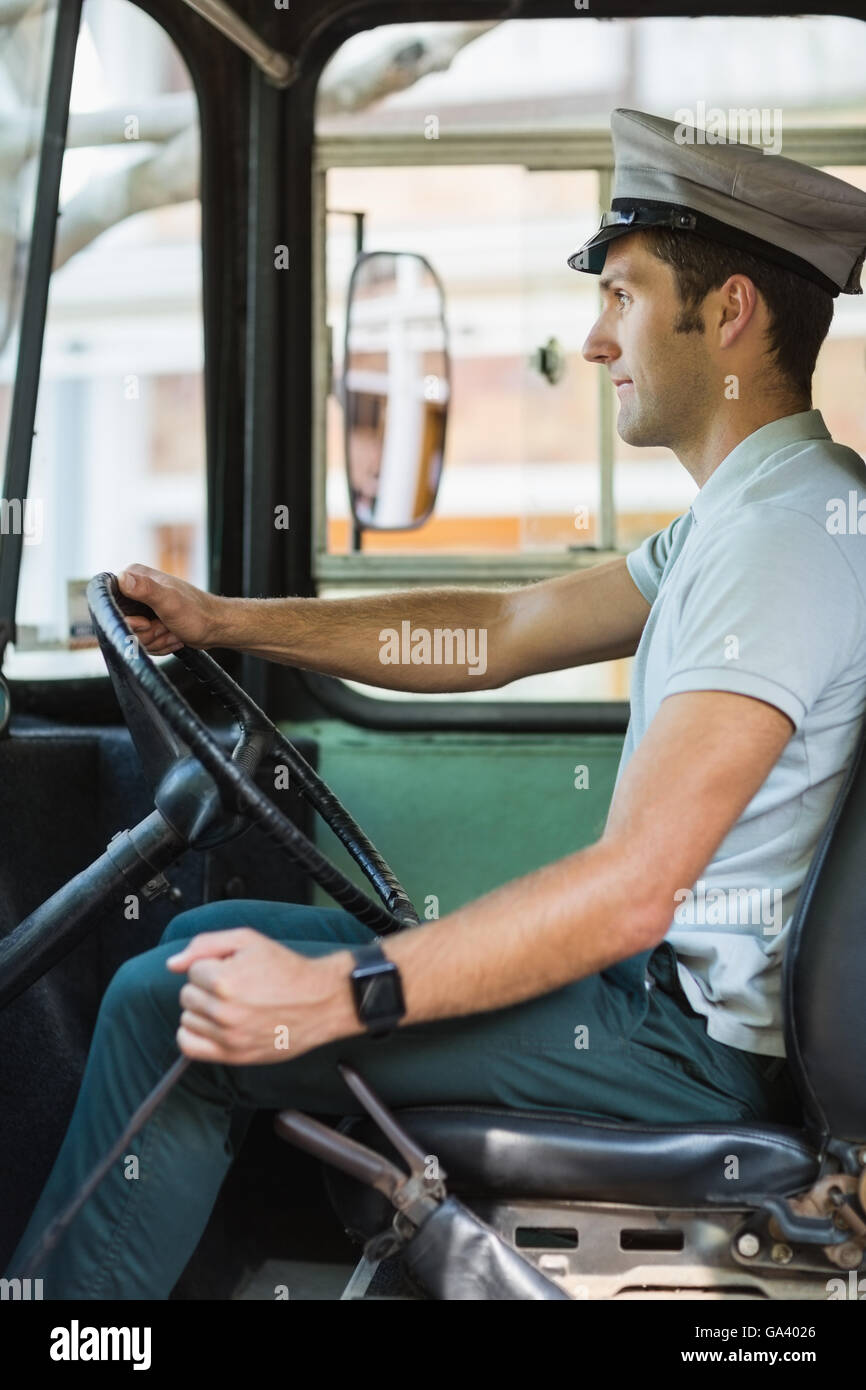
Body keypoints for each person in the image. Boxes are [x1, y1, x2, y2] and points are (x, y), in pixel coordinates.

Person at [8, 108, 866, 1299]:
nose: (596, 340)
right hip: (650, 1007)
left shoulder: (782, 543)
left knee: (170, 1007)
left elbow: (628, 890)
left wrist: (336, 993)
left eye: (619, 297)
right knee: (200, 952)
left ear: (725, 312)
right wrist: (224, 620)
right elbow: (499, 631)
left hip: (684, 1050)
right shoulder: (748, 515)